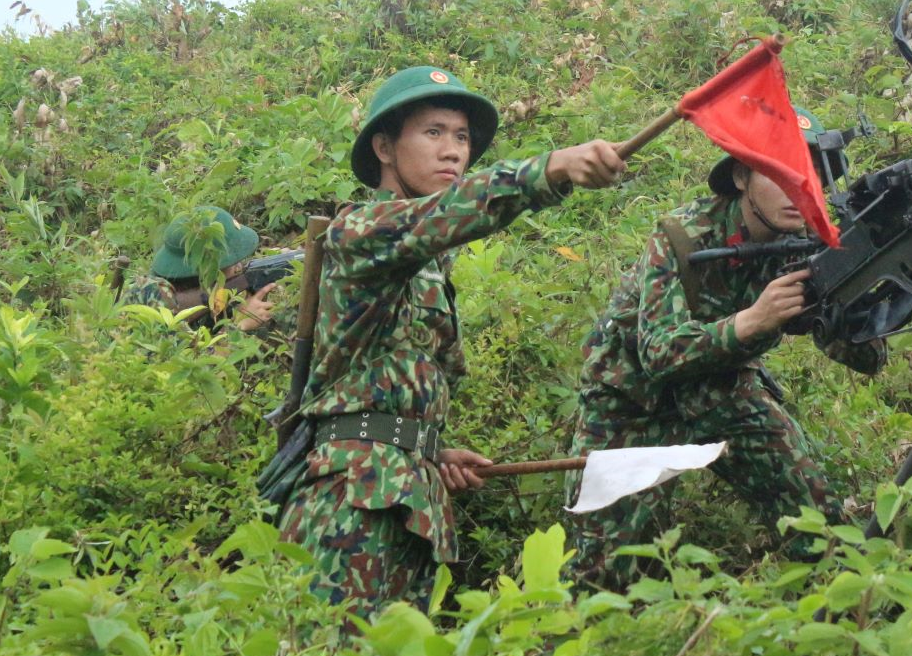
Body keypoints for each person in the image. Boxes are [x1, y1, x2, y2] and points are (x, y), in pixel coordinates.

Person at [277, 65, 625, 616]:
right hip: (349, 498)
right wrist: (552, 168)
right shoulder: (361, 231)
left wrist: (430, 449)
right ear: (385, 147)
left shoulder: (430, 264)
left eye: (462, 138)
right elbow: (447, 215)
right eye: (434, 133)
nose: (454, 152)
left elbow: (390, 383)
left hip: (411, 496)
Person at [567, 107, 887, 588]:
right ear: (741, 176)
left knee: (818, 519)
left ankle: (842, 623)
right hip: (630, 404)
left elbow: (869, 360)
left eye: (811, 178)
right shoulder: (681, 237)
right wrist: (753, 320)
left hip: (721, 390)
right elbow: (658, 354)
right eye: (779, 173)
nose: (798, 190)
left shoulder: (811, 243)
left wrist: (846, 309)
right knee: (605, 571)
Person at [122, 205, 277, 333]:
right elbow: (193, 364)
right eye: (233, 262)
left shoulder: (192, 291)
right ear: (208, 269)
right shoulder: (147, 294)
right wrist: (241, 325)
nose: (238, 266)